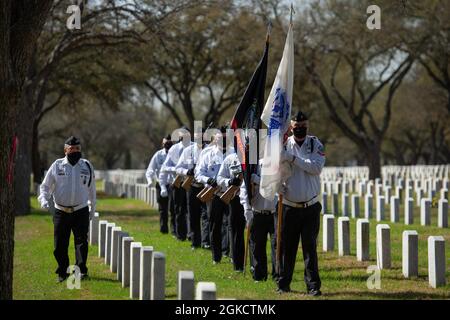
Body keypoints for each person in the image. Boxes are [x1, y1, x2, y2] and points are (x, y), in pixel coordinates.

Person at [277, 111, 326, 296]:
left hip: (310, 207)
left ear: (308, 126)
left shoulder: (315, 144)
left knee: (309, 249)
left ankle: (313, 286)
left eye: (303, 127)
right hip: (289, 206)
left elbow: (315, 167)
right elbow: (273, 170)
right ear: (291, 127)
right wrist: (276, 186)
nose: (300, 130)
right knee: (286, 249)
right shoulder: (283, 145)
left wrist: (293, 158)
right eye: (296, 128)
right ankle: (283, 283)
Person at [38, 136, 96, 282]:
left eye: (77, 149)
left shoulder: (86, 165)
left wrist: (92, 209)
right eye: (71, 149)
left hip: (81, 209)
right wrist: (43, 199)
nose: (75, 151)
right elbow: (45, 186)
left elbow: (92, 190)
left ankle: (80, 271)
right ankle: (62, 272)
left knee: (81, 242)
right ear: (65, 150)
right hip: (61, 211)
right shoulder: (57, 165)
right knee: (60, 244)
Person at [196, 126, 233, 264]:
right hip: (214, 195)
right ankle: (216, 256)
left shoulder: (234, 154)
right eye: (220, 137)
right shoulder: (207, 155)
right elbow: (198, 173)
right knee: (215, 225)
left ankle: (230, 253)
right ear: (215, 139)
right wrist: (208, 180)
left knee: (231, 225)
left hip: (231, 194)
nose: (223, 140)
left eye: (225, 137)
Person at [239, 158, 277, 281]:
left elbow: (275, 187)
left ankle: (278, 275)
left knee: (277, 245)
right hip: (257, 212)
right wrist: (247, 209)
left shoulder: (278, 165)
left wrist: (258, 180)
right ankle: (259, 275)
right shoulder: (253, 166)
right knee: (256, 245)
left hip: (274, 213)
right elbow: (244, 189)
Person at [159, 126, 193, 241]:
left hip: (191, 183)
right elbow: (165, 167)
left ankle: (191, 235)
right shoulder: (174, 149)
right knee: (179, 210)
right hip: (178, 183)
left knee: (191, 210)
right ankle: (180, 235)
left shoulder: (194, 147)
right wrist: (178, 170)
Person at [174, 129, 206, 249]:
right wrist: (187, 171)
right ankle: (195, 241)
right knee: (193, 215)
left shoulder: (209, 150)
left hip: (206, 186)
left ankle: (206, 241)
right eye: (197, 136)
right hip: (192, 186)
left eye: (201, 136)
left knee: (206, 215)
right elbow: (178, 168)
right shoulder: (188, 151)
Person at [217, 150, 246, 272]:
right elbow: (219, 177)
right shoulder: (229, 159)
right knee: (236, 231)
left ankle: (256, 266)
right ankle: (237, 264)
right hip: (235, 199)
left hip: (252, 199)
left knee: (255, 234)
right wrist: (229, 182)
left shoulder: (254, 158)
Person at [145, 134, 173, 234]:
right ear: (162, 144)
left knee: (173, 208)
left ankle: (174, 230)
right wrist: (149, 180)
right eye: (165, 143)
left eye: (169, 143)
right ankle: (164, 229)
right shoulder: (158, 155)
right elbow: (150, 169)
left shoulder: (176, 154)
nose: (167, 145)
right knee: (162, 209)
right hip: (160, 185)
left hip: (172, 184)